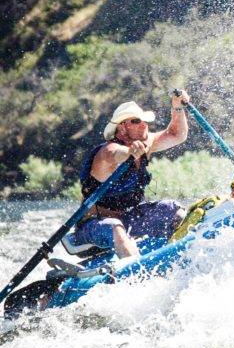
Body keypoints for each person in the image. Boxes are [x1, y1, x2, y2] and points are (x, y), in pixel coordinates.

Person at [73, 93, 190, 258]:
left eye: (144, 120)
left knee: (174, 210)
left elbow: (176, 135)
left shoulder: (145, 144)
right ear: (121, 127)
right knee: (116, 228)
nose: (144, 125)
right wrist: (129, 152)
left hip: (131, 218)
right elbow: (114, 154)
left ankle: (183, 253)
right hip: (94, 224)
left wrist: (177, 107)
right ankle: (135, 274)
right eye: (136, 121)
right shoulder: (106, 152)